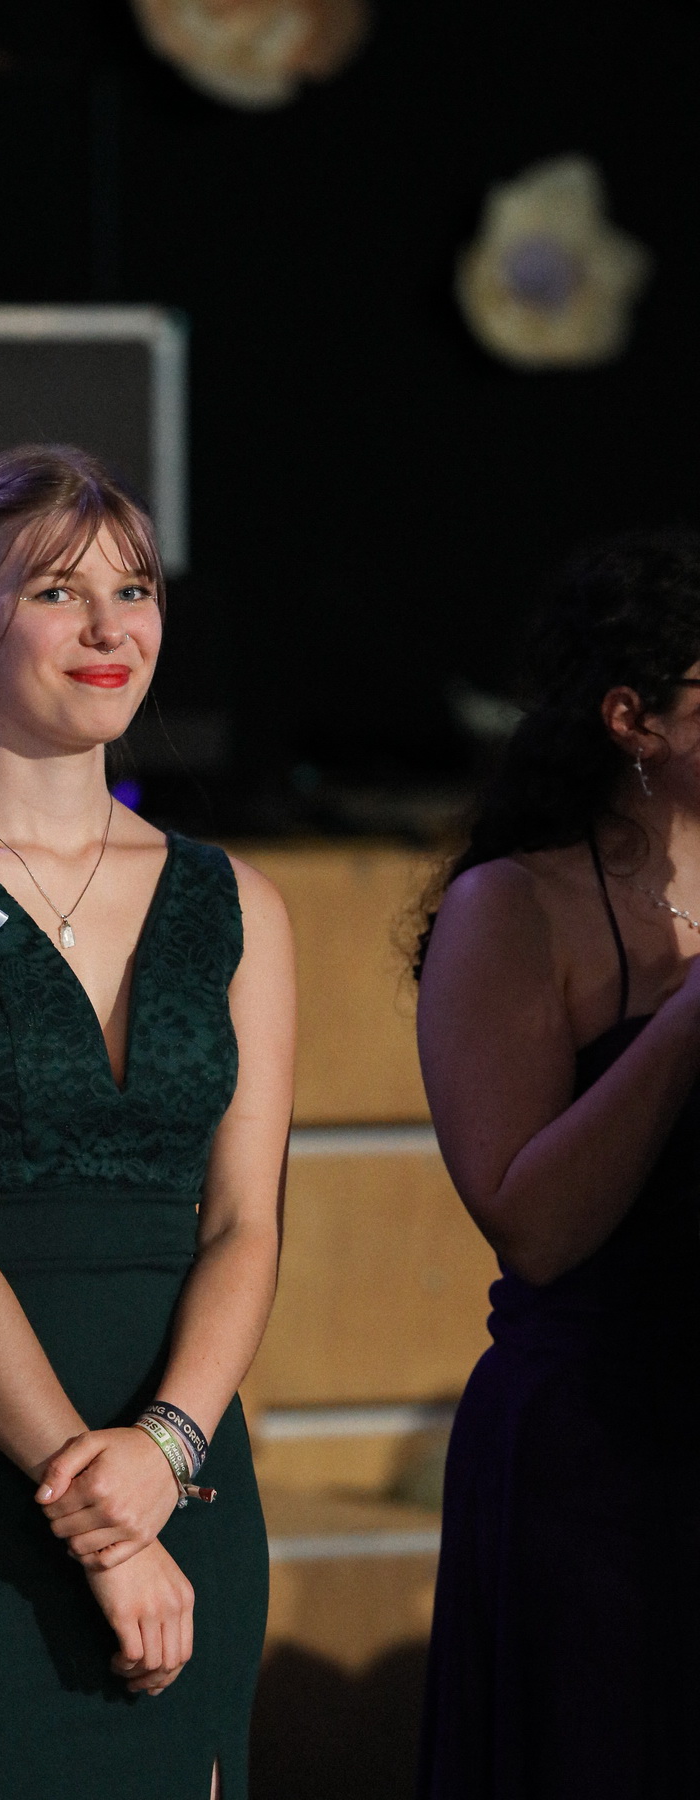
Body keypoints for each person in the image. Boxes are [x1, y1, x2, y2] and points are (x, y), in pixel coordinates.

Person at [0, 445, 296, 1800]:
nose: (108, 628)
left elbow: (247, 1224)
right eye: (57, 592)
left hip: (184, 1475)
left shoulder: (239, 903)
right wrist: (101, 1520)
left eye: (133, 591)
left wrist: (165, 1455)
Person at [416, 529, 700, 1796]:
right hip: (602, 1467)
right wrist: (687, 1019)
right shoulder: (514, 907)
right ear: (633, 719)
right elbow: (532, 1227)